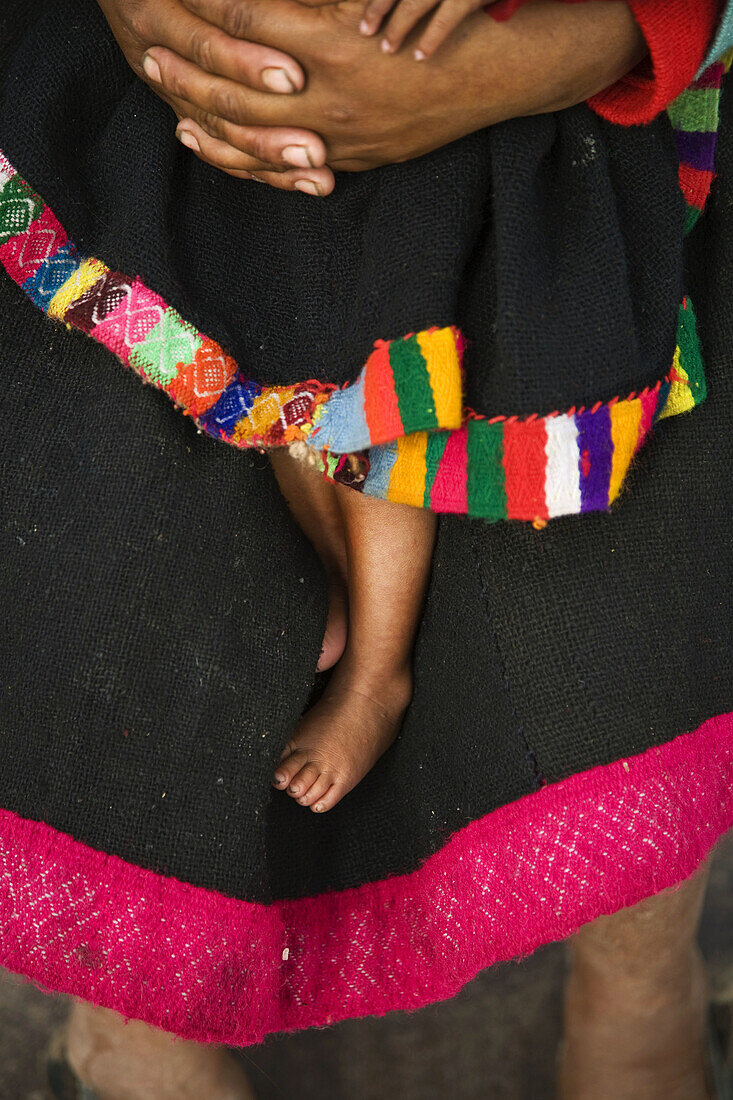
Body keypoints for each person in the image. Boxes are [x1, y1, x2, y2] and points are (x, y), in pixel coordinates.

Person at [0, 3, 731, 1100]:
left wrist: (599, 40)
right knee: (107, 530)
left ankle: (636, 988)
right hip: (155, 105)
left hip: (558, 119)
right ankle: (131, 1018)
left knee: (592, 586)